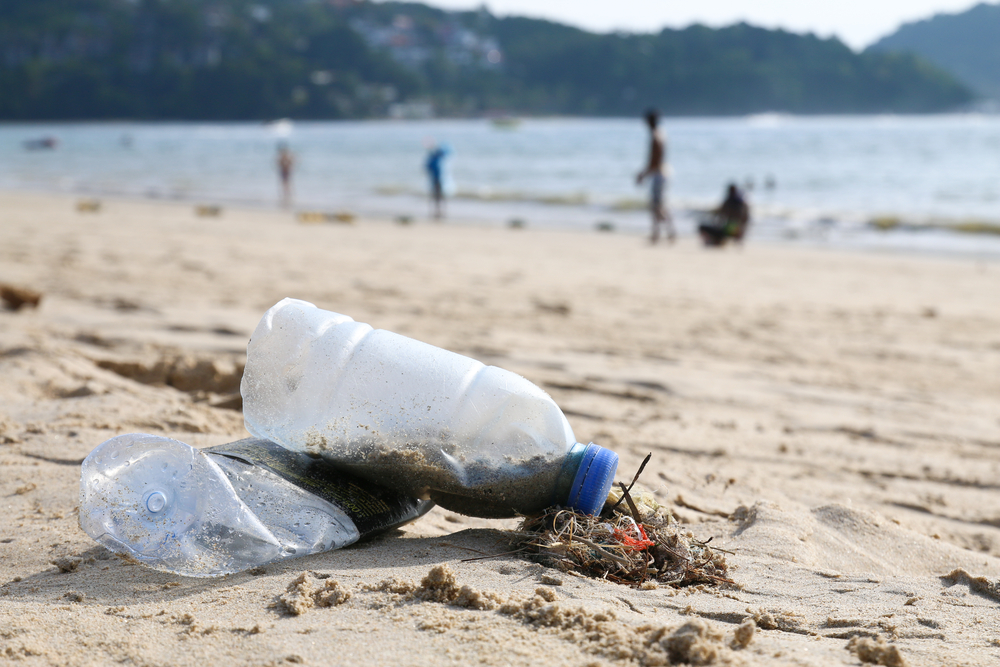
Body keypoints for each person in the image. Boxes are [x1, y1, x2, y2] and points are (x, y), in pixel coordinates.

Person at [636, 109, 675, 244]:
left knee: (656, 206)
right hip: (662, 172)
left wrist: (643, 174)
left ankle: (659, 233)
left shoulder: (655, 136)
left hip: (659, 173)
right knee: (659, 205)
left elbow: (654, 159)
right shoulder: (661, 133)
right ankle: (665, 232)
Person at [698, 183, 750, 247]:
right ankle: (718, 241)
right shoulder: (743, 204)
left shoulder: (728, 202)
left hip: (727, 231)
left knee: (702, 226)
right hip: (739, 231)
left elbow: (720, 216)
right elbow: (746, 218)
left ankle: (715, 241)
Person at [425, 143, 451, 220]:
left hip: (438, 180)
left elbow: (445, 153)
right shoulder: (433, 159)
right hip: (436, 180)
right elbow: (427, 168)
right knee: (437, 197)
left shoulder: (435, 158)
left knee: (439, 197)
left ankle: (439, 212)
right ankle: (437, 212)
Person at [276, 142, 295, 208]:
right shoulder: (283, 157)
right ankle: (286, 195)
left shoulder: (285, 157)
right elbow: (279, 163)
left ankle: (287, 195)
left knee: (286, 183)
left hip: (286, 171)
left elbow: (291, 163)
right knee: (285, 183)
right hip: (284, 171)